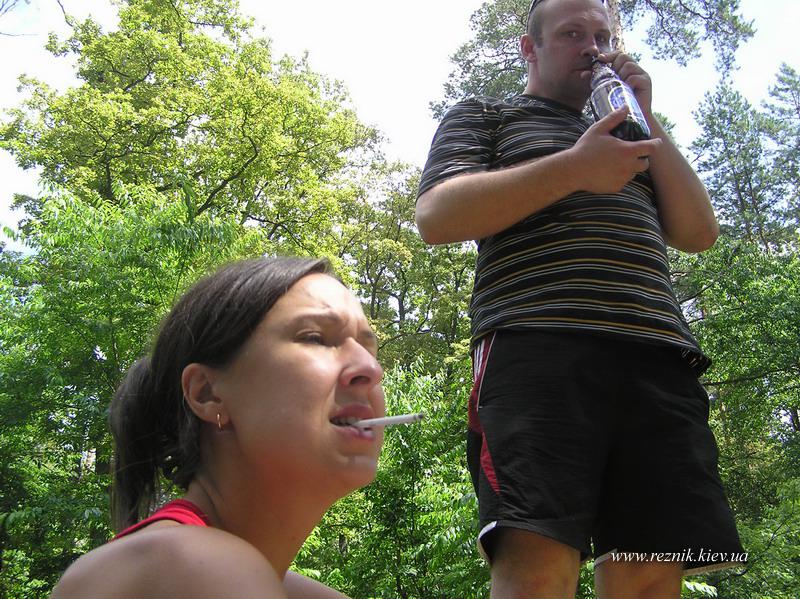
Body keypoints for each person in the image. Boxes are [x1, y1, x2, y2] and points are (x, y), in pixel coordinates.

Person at [415, 0, 744, 597]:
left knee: (649, 576)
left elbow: (699, 233)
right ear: (529, 47)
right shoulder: (487, 114)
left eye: (602, 35)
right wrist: (573, 167)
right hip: (535, 347)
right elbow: (438, 216)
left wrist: (645, 117)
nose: (593, 48)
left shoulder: (635, 136)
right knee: (537, 568)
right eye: (572, 33)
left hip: (656, 356)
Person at [51, 256, 386, 599]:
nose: (371, 368)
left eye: (369, 348)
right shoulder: (195, 566)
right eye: (315, 338)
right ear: (207, 394)